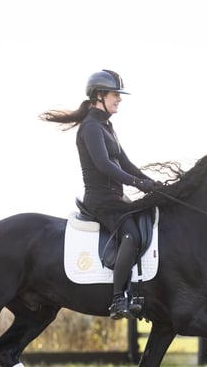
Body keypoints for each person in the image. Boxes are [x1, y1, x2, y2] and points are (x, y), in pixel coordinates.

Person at [40, 69, 157, 319]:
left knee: (145, 223)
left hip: (116, 199)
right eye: (116, 94)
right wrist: (137, 182)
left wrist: (153, 184)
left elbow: (125, 163)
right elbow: (105, 165)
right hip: (101, 201)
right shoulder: (91, 127)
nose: (120, 99)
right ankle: (117, 299)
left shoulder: (107, 126)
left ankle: (138, 291)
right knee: (131, 234)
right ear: (99, 95)